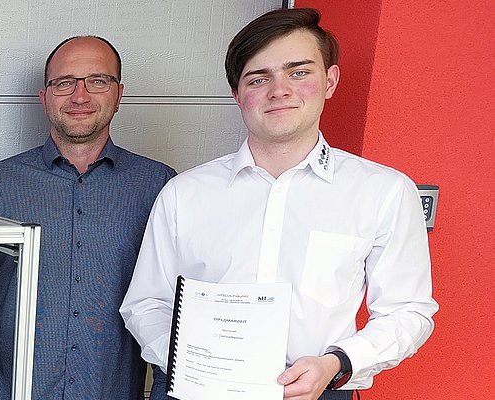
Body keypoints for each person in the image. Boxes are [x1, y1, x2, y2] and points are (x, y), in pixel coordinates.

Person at [119, 8, 438, 400]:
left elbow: (408, 311)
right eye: (258, 78)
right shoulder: (184, 193)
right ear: (237, 95)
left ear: (330, 81)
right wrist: (188, 359)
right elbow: (146, 303)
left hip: (321, 390)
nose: (279, 90)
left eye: (298, 72)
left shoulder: (383, 192)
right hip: (197, 388)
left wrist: (337, 363)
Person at [0, 36, 177, 400]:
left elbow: (173, 308)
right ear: (44, 96)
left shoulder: (159, 187)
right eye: (64, 83)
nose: (80, 96)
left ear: (119, 94)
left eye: (98, 81)